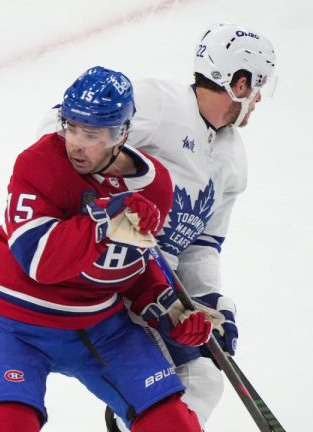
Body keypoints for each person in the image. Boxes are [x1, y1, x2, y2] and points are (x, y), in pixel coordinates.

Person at [0, 66, 224, 432]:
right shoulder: (38, 163)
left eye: (91, 133)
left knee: (173, 426)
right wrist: (107, 216)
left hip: (101, 326)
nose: (75, 141)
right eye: (69, 125)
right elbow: (39, 261)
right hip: (17, 322)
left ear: (122, 133)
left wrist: (172, 315)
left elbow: (131, 269)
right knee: (7, 426)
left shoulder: (155, 186)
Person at [98, 23, 277, 431]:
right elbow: (63, 131)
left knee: (205, 375)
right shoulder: (158, 102)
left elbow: (203, 246)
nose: (259, 98)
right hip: (104, 263)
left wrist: (207, 301)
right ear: (239, 81)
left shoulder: (233, 158)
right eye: (257, 85)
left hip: (157, 281)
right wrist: (106, 211)